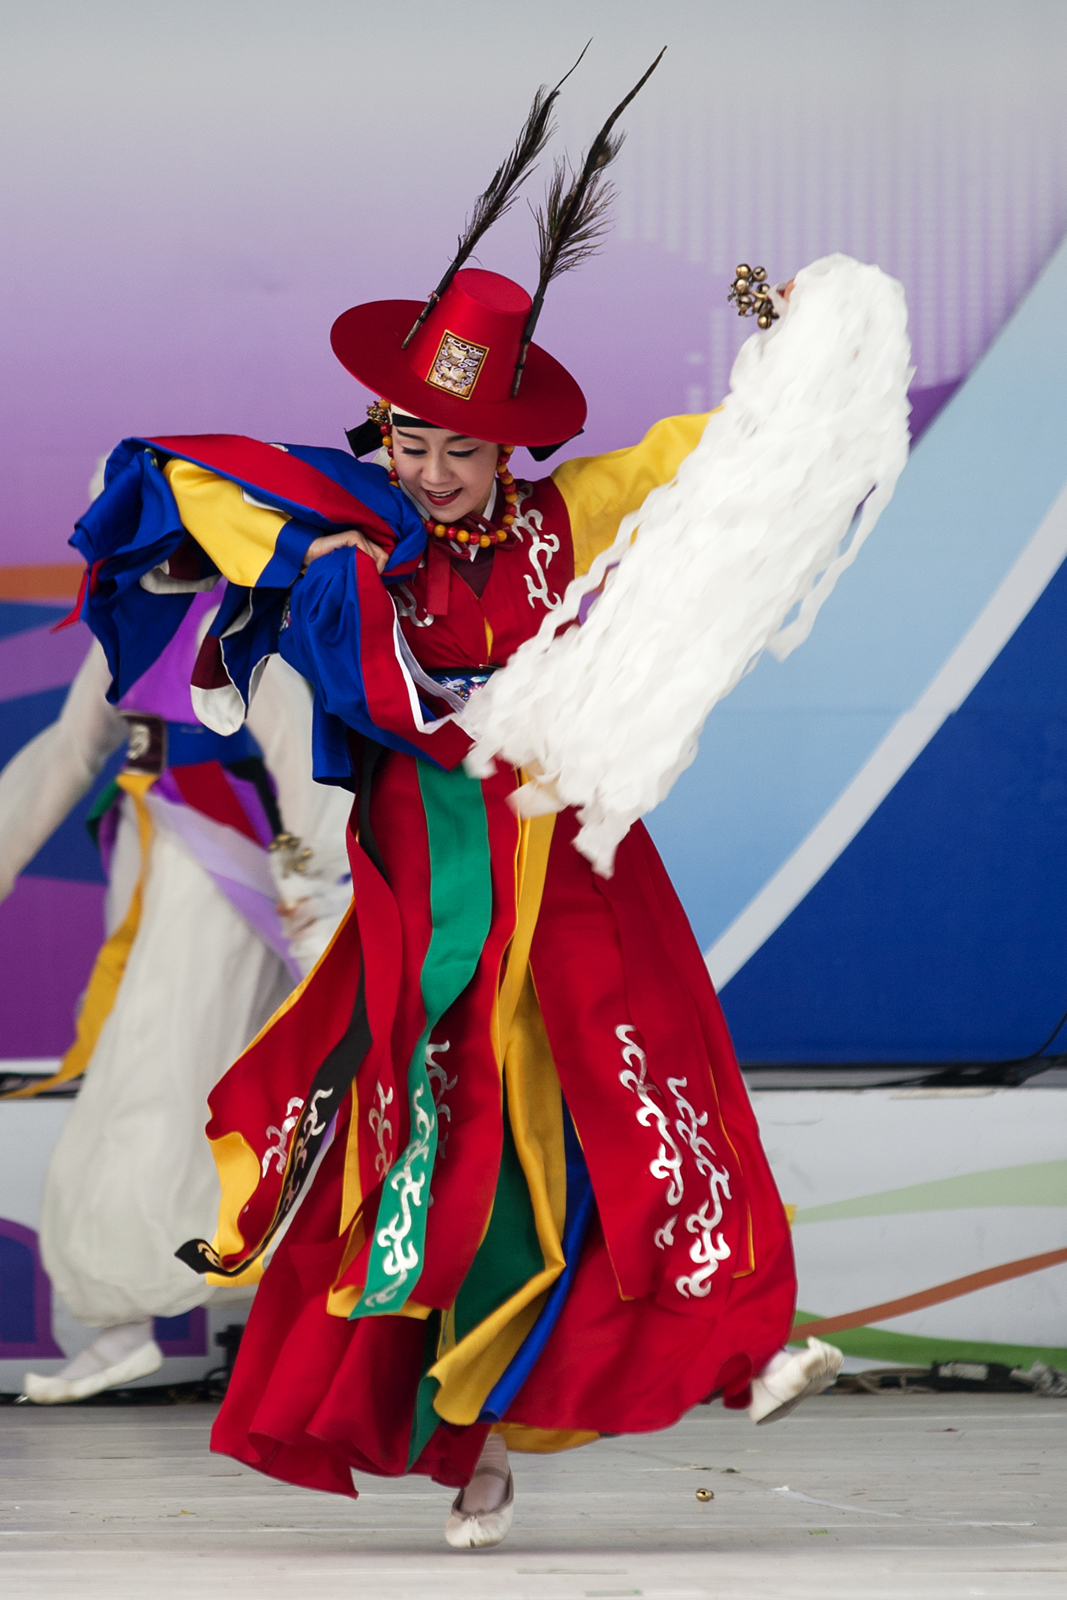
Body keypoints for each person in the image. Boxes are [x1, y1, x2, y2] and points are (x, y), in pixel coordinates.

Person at [65, 66, 848, 1544]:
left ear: (511, 449)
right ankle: (465, 1441)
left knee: (645, 1077)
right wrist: (283, 564)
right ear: (381, 430)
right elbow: (185, 493)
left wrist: (787, 328)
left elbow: (711, 450)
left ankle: (739, 1340)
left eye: (461, 449)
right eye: (410, 442)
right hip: (433, 877)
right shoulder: (352, 530)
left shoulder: (565, 517)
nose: (431, 471)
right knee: (452, 1137)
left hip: (568, 848)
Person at [0, 601, 353, 1403]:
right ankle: (137, 1322)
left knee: (171, 1079)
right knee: (174, 1078)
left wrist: (313, 894)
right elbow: (70, 749)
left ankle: (143, 1322)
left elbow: (300, 753)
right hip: (162, 845)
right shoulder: (131, 610)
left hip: (230, 865)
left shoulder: (239, 613)